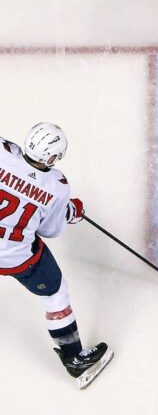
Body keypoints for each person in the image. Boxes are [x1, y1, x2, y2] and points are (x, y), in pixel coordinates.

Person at [0, 123, 113, 389]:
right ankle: (74, 360)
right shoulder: (56, 186)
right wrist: (70, 211)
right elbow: (50, 229)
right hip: (14, 257)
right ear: (52, 157)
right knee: (55, 294)